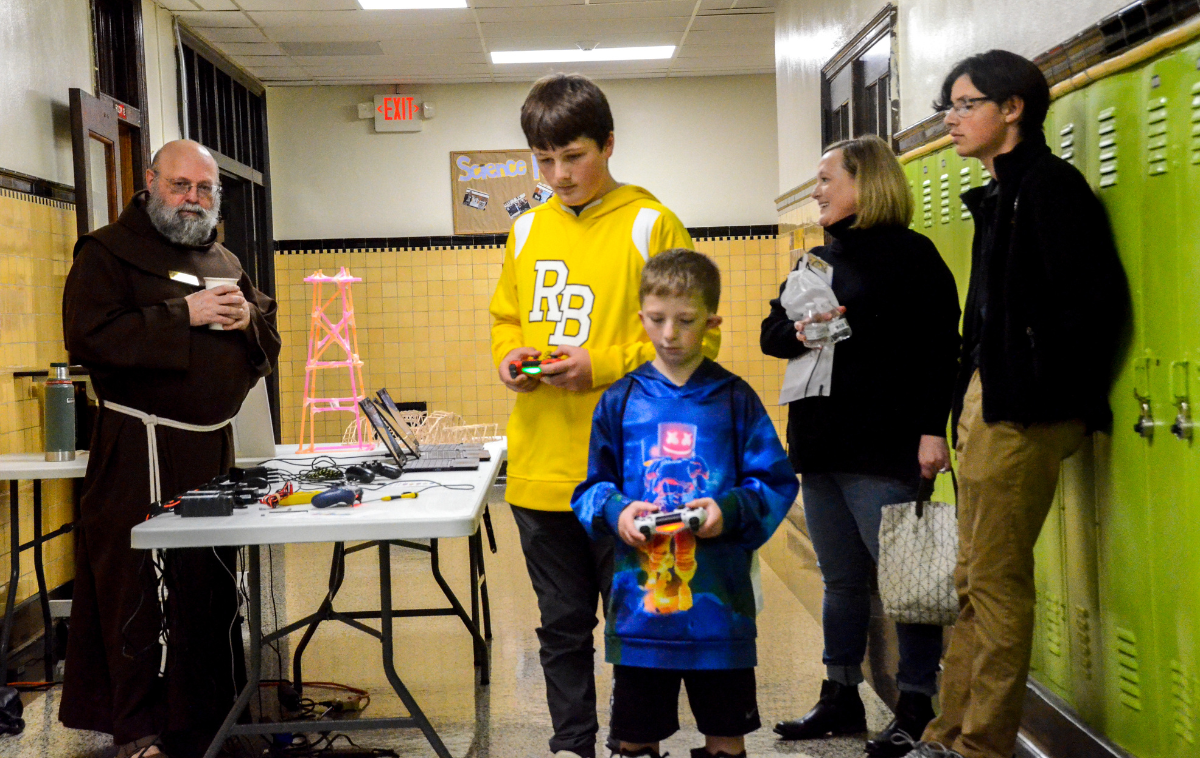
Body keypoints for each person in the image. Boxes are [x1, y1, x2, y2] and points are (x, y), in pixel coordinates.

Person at [489, 74, 720, 758]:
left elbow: (700, 339)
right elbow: (506, 319)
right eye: (545, 160)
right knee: (560, 626)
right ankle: (570, 745)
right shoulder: (526, 230)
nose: (560, 175)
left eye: (575, 156)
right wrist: (511, 358)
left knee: (639, 622)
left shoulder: (652, 223)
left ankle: (634, 741)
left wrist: (606, 363)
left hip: (634, 473)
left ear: (609, 144)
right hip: (540, 468)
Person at [905, 51, 1127, 758]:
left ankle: (982, 745)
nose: (952, 117)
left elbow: (1091, 307)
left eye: (966, 103)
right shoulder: (1004, 194)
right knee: (973, 581)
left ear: (1012, 110)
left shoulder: (1050, 189)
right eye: (950, 104)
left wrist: (1028, 389)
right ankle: (949, 732)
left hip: (1020, 411)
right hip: (991, 402)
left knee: (996, 585)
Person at [60, 139, 281, 758]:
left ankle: (207, 716)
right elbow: (89, 335)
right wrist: (181, 314)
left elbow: (269, 338)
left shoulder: (225, 259)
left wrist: (248, 325)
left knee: (206, 587)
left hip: (210, 451)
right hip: (141, 449)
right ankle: (140, 729)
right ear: (150, 182)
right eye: (182, 185)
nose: (193, 199)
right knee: (139, 592)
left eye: (205, 189)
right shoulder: (107, 254)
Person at [761, 135, 961, 756]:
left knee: (907, 581)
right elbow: (771, 336)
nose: (816, 191)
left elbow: (939, 351)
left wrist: (934, 430)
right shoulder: (814, 262)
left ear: (865, 183)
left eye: (826, 180)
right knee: (842, 581)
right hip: (820, 444)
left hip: (884, 443)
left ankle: (917, 704)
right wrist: (799, 329)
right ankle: (840, 694)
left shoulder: (912, 256)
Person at [572, 250, 798, 758]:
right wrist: (616, 512)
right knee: (634, 738)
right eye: (656, 320)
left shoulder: (733, 399)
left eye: (686, 321)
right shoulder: (621, 400)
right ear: (641, 318)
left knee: (725, 737)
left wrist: (731, 510)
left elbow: (776, 480)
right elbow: (589, 489)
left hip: (721, 616)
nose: (669, 334)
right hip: (640, 617)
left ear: (712, 322)